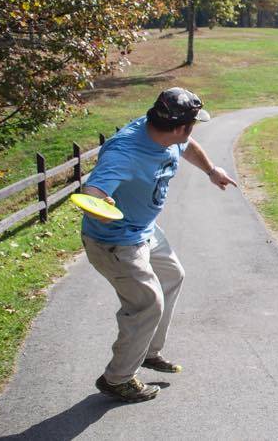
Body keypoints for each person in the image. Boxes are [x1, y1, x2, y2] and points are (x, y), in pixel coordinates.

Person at [80, 87, 237, 402]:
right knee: (147, 303)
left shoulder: (167, 133)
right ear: (179, 126)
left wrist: (211, 170)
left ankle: (147, 350)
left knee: (172, 275)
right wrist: (100, 204)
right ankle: (118, 379)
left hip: (144, 230)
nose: (191, 132)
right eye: (191, 125)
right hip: (115, 241)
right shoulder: (125, 150)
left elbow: (187, 145)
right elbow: (91, 192)